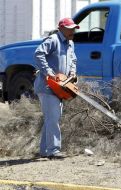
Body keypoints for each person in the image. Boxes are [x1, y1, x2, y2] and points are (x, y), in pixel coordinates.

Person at [34, 18, 79, 159]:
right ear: (62, 29)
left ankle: (44, 151)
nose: (73, 31)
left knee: (51, 118)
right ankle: (53, 150)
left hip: (60, 88)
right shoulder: (53, 40)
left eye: (74, 28)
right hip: (47, 87)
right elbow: (38, 54)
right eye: (70, 28)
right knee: (53, 118)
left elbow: (73, 60)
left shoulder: (70, 43)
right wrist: (48, 72)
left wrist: (72, 72)